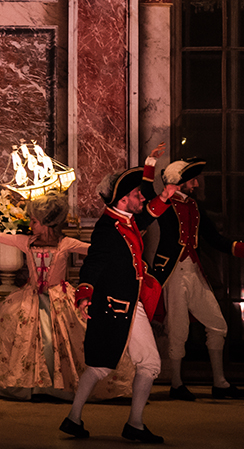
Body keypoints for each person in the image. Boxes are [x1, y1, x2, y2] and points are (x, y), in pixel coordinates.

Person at [0, 193, 133, 400]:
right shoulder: (26, 242)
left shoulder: (66, 243)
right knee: (13, 323)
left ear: (47, 223)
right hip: (30, 297)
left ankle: (62, 385)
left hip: (60, 297)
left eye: (34, 221)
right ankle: (32, 385)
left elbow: (96, 252)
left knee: (73, 335)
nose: (30, 225)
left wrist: (123, 247)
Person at [60, 160, 179, 445]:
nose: (142, 198)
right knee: (140, 363)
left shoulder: (124, 219)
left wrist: (164, 197)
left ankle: (75, 419)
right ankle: (132, 424)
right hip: (117, 305)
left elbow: (146, 217)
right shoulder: (107, 227)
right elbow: (94, 262)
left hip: (126, 302)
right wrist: (84, 294)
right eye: (138, 194)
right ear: (123, 199)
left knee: (105, 365)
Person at [149, 157, 244, 401]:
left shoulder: (194, 206)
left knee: (217, 324)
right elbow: (146, 195)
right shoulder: (164, 204)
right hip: (173, 273)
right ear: (179, 182)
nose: (196, 184)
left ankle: (220, 383)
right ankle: (176, 384)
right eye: (192, 180)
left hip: (194, 271)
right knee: (178, 330)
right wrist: (151, 163)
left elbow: (214, 238)